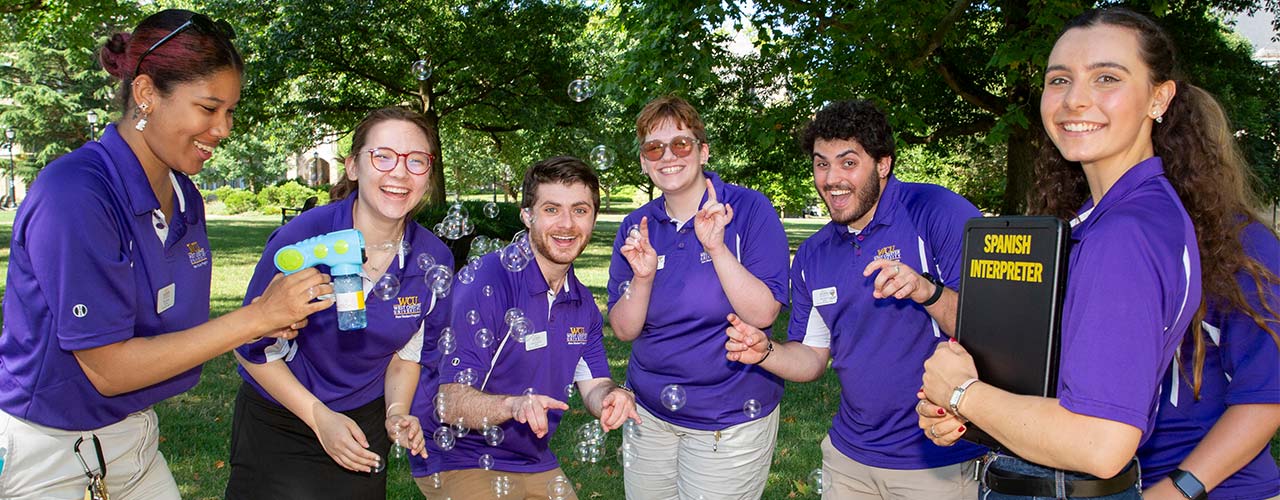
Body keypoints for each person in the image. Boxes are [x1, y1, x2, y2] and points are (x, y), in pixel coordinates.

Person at [0, 9, 328, 499]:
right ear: (146, 94)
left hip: (134, 438)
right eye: (209, 108)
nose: (224, 128)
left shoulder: (183, 195)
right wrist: (256, 317)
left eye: (230, 111)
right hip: (47, 455)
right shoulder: (75, 194)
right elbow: (109, 369)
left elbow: (170, 333)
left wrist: (266, 320)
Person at [917, 7, 1203, 498]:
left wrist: (962, 393)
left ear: (1159, 97)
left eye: (1106, 77)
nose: (1075, 99)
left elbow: (1100, 443)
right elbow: (1066, 389)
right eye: (1059, 80)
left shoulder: (1127, 232)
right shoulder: (1110, 216)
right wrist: (970, 412)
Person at [724, 99, 986, 498]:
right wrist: (765, 352)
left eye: (848, 162)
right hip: (848, 458)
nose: (832, 179)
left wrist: (927, 291)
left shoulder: (937, 213)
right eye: (821, 164)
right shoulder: (813, 255)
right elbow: (812, 358)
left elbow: (990, 331)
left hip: (936, 460)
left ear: (883, 164)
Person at [225, 107, 452, 500]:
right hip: (280, 418)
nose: (400, 173)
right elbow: (248, 345)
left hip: (363, 425)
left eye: (416, 160)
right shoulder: (302, 239)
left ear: (428, 175)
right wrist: (318, 417)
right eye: (383, 156)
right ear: (352, 167)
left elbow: (407, 356)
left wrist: (397, 412)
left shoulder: (433, 259)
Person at [414, 156, 638, 500]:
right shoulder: (487, 283)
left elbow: (594, 385)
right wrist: (513, 406)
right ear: (527, 215)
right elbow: (450, 401)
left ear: (594, 217)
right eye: (551, 209)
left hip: (532, 458)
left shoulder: (583, 305)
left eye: (580, 210)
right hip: (459, 456)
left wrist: (612, 396)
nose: (567, 224)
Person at [1122, 11, 1279, 499]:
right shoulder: (1119, 240)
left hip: (1221, 490)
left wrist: (1179, 488)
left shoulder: (1247, 247)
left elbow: (1266, 397)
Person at [606, 94, 791, 500]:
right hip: (648, 414)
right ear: (643, 162)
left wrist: (717, 248)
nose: (668, 156)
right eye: (654, 148)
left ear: (703, 151)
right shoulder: (636, 226)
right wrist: (643, 278)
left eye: (681, 143)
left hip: (728, 419)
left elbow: (763, 314)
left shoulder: (750, 209)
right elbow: (623, 329)